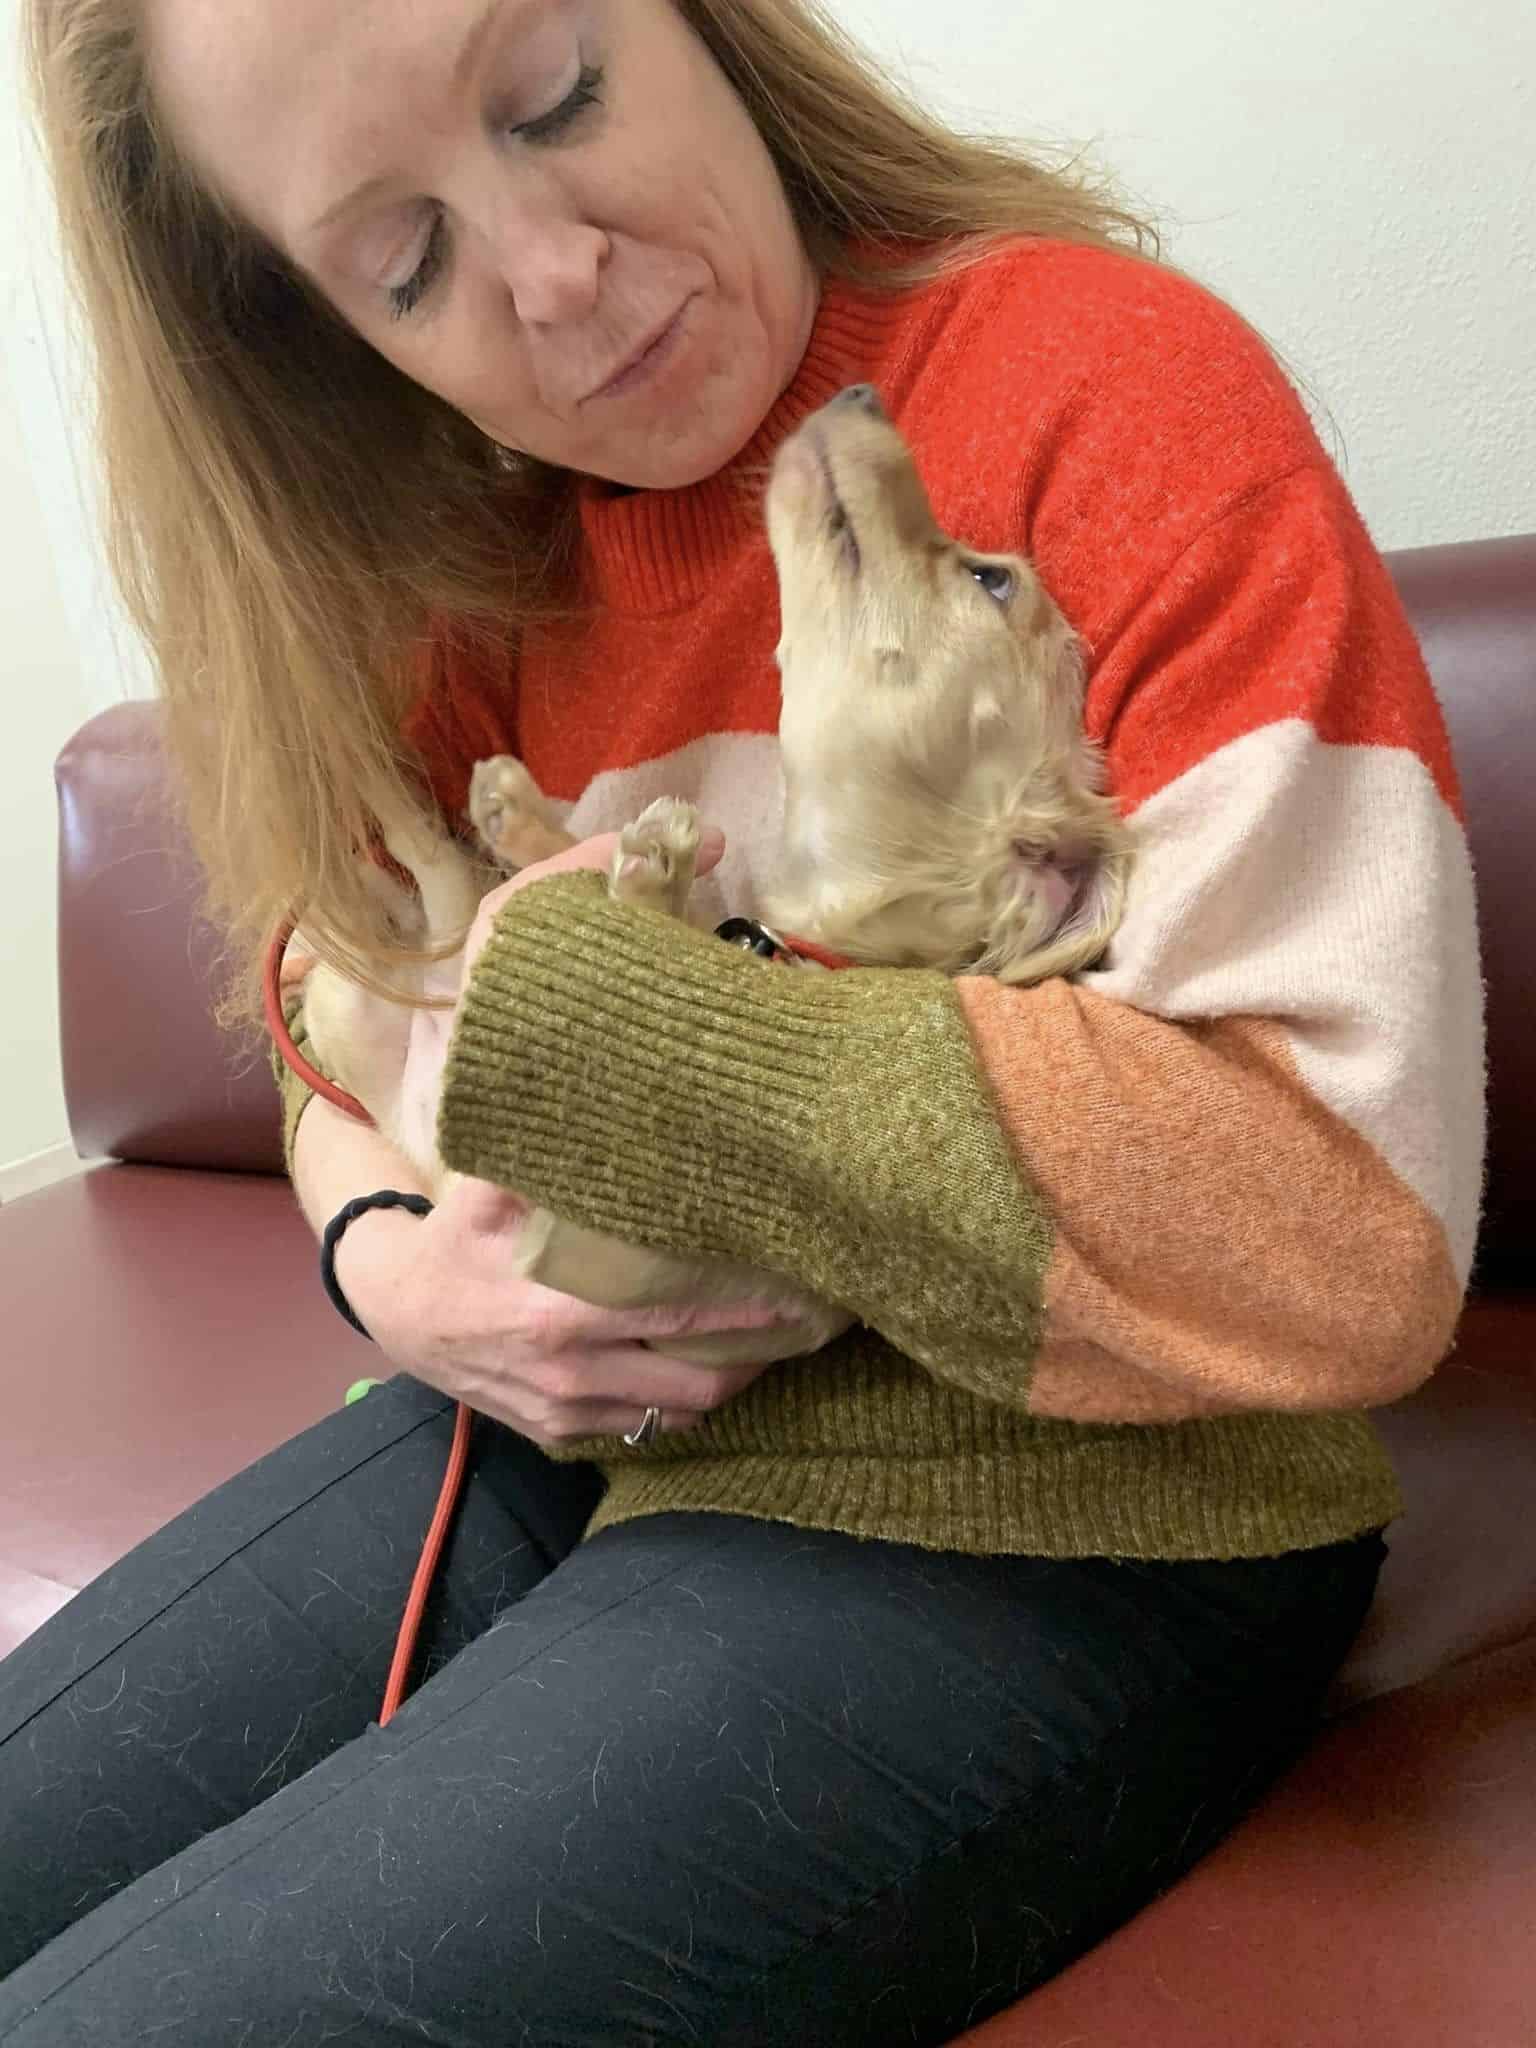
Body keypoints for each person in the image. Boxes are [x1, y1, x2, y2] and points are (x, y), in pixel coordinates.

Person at [1, 0, 1482, 2041]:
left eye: (558, 95)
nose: (554, 278)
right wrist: (386, 1264)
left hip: (1073, 1508)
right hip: (564, 1439)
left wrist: (609, 1019)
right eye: (406, 264)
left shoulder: (1109, 385)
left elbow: (1344, 1226)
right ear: (317, 338)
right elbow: (317, 998)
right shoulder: (478, 569)